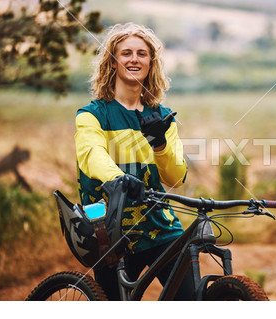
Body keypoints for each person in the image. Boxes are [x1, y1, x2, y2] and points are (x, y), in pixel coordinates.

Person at [74, 23, 191, 300]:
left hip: (159, 226)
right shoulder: (92, 114)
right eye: (126, 53)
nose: (134, 59)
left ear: (151, 63)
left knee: (191, 299)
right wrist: (118, 178)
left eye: (142, 53)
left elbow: (176, 178)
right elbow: (91, 154)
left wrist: (159, 144)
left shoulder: (162, 118)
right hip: (110, 231)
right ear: (113, 63)